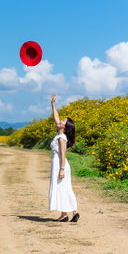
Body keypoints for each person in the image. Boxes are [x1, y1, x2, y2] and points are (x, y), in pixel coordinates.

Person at [49, 93, 79, 222]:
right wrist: (53, 104)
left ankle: (68, 213)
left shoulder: (61, 138)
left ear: (65, 127)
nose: (60, 121)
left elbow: (63, 154)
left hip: (60, 164)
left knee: (62, 187)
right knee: (64, 187)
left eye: (63, 122)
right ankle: (70, 213)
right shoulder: (59, 133)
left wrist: (61, 169)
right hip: (59, 164)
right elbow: (56, 116)